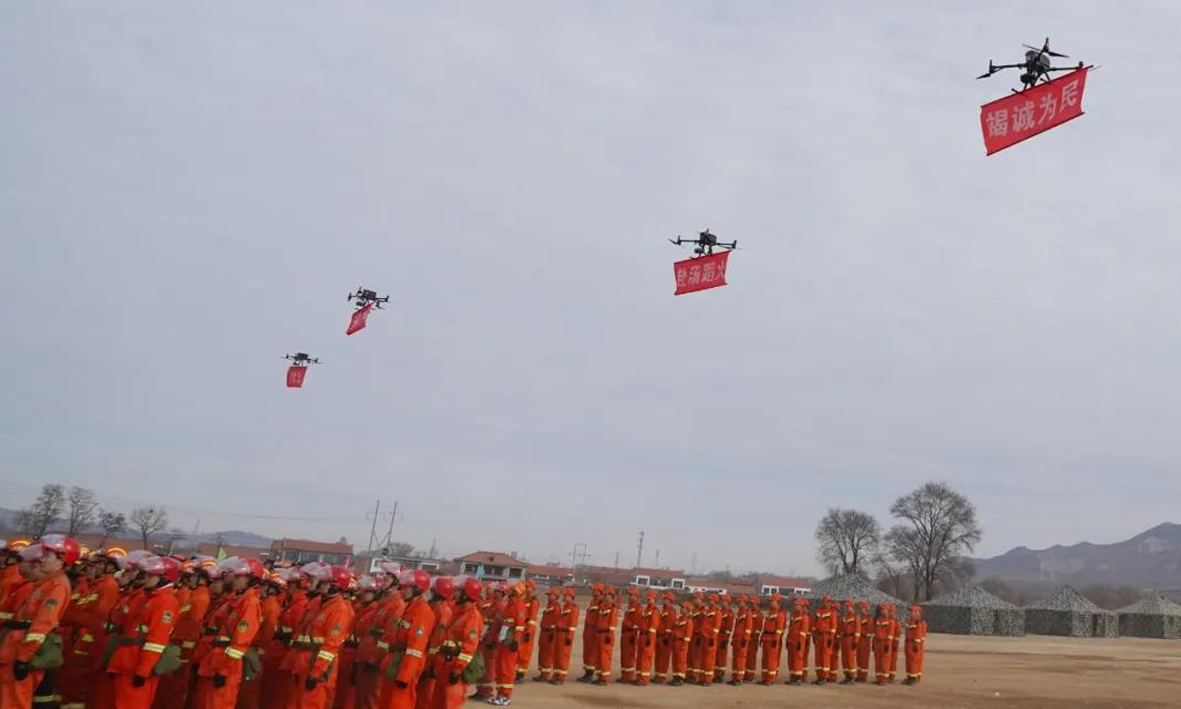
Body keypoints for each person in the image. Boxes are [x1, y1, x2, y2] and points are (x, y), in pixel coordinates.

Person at [0, 536, 76, 709]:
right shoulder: (45, 582)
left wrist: (23, 658)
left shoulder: (58, 585)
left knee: (15, 702)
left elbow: (42, 626)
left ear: (61, 560)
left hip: (21, 650)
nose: (41, 559)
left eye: (47, 556)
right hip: (13, 648)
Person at [109, 554, 181, 709]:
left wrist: (143, 671)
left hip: (138, 666)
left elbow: (156, 641)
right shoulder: (148, 598)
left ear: (164, 578)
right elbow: (129, 630)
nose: (145, 578)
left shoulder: (165, 602)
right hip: (128, 664)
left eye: (149, 575)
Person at [196, 557, 263, 709]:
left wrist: (223, 671)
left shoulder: (249, 603)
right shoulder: (236, 601)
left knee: (217, 704)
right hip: (216, 661)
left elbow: (240, 643)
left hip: (227, 666)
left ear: (250, 580)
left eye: (238, 577)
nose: (233, 580)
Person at [59, 550, 120, 709]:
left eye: (97, 565)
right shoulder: (93, 585)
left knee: (79, 682)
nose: (91, 568)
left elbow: (98, 619)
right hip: (77, 637)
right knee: (69, 677)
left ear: (109, 568)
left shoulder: (108, 586)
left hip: (88, 641)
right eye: (91, 565)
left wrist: (72, 618)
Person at [295, 565, 355, 709]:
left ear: (335, 586)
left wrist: (316, 673)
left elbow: (330, 646)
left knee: (312, 704)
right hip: (307, 663)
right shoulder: (321, 604)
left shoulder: (339, 609)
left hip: (318, 667)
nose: (321, 584)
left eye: (325, 582)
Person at [376, 569, 435, 709]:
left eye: (406, 587)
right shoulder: (408, 608)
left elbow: (416, 647)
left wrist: (405, 675)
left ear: (417, 589)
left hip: (404, 666)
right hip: (395, 662)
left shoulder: (422, 611)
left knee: (399, 704)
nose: (402, 590)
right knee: (386, 703)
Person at [428, 576, 482, 709]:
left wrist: (457, 670)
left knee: (450, 703)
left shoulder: (472, 616)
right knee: (437, 703)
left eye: (458, 591)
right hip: (444, 665)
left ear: (466, 594)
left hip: (454, 666)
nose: (454, 593)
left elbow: (469, 647)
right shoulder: (457, 613)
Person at [416, 576, 454, 709]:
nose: (429, 593)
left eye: (432, 591)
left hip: (432, 659)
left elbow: (437, 639)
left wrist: (431, 664)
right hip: (426, 655)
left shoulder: (444, 611)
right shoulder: (434, 607)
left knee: (426, 695)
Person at [489, 583, 524, 705]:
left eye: (512, 590)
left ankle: (506, 695)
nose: (509, 592)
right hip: (503, 641)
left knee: (507, 670)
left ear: (516, 593)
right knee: (500, 668)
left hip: (510, 642)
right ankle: (499, 694)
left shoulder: (519, 605)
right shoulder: (509, 605)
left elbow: (519, 626)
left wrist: (516, 640)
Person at [549, 588, 578, 685]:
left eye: (565, 595)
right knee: (557, 655)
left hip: (565, 635)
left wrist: (569, 637)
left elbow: (573, 625)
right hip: (559, 634)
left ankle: (561, 677)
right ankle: (556, 675)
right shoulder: (564, 607)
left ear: (570, 596)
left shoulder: (573, 609)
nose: (563, 597)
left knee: (563, 656)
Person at [532, 589, 560, 683]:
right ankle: (542, 672)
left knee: (547, 654)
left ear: (556, 596)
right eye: (549, 595)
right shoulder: (549, 605)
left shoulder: (556, 607)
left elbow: (556, 621)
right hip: (544, 632)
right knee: (542, 653)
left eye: (551, 595)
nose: (549, 596)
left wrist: (552, 633)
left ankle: (546, 674)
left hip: (549, 633)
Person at [591, 588, 617, 686]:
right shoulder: (602, 607)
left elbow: (613, 623)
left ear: (612, 596)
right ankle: (599, 676)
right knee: (598, 657)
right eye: (605, 595)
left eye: (608, 595)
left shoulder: (613, 609)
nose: (606, 597)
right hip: (599, 634)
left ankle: (604, 678)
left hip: (606, 635)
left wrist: (609, 635)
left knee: (605, 657)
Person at [512, 581, 538, 683]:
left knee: (525, 652)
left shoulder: (533, 602)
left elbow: (532, 618)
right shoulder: (522, 599)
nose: (526, 588)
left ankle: (520, 675)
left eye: (528, 586)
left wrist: (529, 632)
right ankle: (515, 672)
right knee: (518, 651)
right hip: (521, 627)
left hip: (527, 629)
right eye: (525, 586)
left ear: (532, 589)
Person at [576, 585, 600, 683]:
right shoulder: (592, 601)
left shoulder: (601, 603)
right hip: (588, 630)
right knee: (587, 652)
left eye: (595, 590)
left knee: (592, 653)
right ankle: (587, 672)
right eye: (592, 590)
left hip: (594, 630)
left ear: (599, 591)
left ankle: (590, 674)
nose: (593, 591)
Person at [759, 593, 785, 685]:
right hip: (766, 638)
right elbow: (765, 627)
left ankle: (771, 679)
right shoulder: (769, 613)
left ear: (777, 602)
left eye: (772, 601)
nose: (770, 603)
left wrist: (776, 640)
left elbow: (779, 629)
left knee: (771, 660)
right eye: (770, 601)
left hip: (773, 639)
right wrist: (761, 637)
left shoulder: (780, 615)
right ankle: (765, 677)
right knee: (765, 660)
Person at [634, 590, 658, 686]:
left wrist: (649, 638)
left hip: (648, 636)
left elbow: (653, 626)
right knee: (640, 657)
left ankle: (644, 679)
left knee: (646, 658)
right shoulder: (646, 610)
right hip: (642, 635)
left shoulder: (654, 611)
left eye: (650, 599)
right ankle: (639, 677)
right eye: (647, 599)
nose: (648, 601)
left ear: (654, 600)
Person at [785, 597, 811, 685]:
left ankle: (798, 678)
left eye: (797, 605)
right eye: (795, 604)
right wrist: (787, 639)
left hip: (798, 642)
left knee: (798, 659)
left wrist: (800, 642)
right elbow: (790, 629)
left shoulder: (804, 617)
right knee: (791, 660)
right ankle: (792, 677)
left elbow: (803, 632)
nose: (795, 606)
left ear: (801, 606)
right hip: (792, 640)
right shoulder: (794, 616)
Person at [726, 595, 751, 685]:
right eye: (738, 601)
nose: (739, 603)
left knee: (741, 659)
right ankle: (735, 676)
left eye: (740, 602)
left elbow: (748, 627)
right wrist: (733, 638)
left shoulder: (748, 613)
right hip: (737, 638)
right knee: (735, 658)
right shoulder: (739, 613)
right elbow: (736, 627)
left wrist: (745, 638)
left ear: (745, 602)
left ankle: (739, 678)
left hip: (742, 640)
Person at [651, 593, 675, 684]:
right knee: (658, 657)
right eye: (664, 599)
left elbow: (670, 626)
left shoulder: (671, 611)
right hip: (660, 636)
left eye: (666, 599)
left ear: (670, 601)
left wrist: (667, 637)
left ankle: (661, 677)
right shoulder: (664, 610)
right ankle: (658, 675)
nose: (664, 600)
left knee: (663, 658)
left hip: (665, 638)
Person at [618, 588, 640, 683]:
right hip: (625, 633)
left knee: (629, 655)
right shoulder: (629, 606)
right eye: (629, 595)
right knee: (624, 655)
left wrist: (633, 635)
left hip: (631, 633)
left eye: (632, 595)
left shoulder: (638, 607)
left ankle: (629, 676)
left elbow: (637, 623)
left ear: (636, 596)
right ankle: (624, 675)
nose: (630, 597)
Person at [668, 600, 692, 687]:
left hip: (682, 643)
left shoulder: (689, 621)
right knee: (675, 661)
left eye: (683, 608)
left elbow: (688, 635)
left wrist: (684, 645)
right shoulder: (679, 619)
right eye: (681, 607)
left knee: (681, 661)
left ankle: (680, 678)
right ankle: (675, 677)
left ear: (687, 609)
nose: (681, 609)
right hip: (675, 642)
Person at [904, 605, 926, 686]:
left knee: (914, 661)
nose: (910, 613)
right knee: (909, 661)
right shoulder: (910, 621)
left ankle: (913, 678)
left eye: (912, 611)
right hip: (909, 643)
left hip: (914, 644)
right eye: (910, 611)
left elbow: (919, 634)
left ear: (917, 613)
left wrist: (916, 644)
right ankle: (910, 676)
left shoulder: (919, 623)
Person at [838, 599, 859, 684]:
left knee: (850, 658)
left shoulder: (855, 617)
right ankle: (847, 676)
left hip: (851, 639)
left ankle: (852, 677)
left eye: (848, 607)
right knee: (844, 658)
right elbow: (841, 628)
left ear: (852, 607)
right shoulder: (845, 616)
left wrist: (856, 641)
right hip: (844, 638)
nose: (847, 608)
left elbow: (857, 630)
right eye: (846, 607)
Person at [873, 603, 893, 685]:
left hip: (885, 643)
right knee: (878, 660)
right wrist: (873, 643)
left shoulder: (890, 621)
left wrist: (887, 644)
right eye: (881, 609)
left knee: (885, 661)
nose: (882, 611)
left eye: (883, 609)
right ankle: (878, 678)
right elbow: (875, 631)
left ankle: (884, 678)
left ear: (887, 610)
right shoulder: (878, 619)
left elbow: (890, 634)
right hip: (877, 642)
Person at [855, 601, 872, 683]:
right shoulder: (859, 617)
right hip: (859, 640)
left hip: (865, 641)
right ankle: (859, 675)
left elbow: (869, 631)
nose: (861, 609)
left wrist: (866, 638)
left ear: (866, 609)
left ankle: (863, 676)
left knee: (864, 659)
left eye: (863, 608)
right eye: (861, 608)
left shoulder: (869, 618)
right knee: (859, 658)